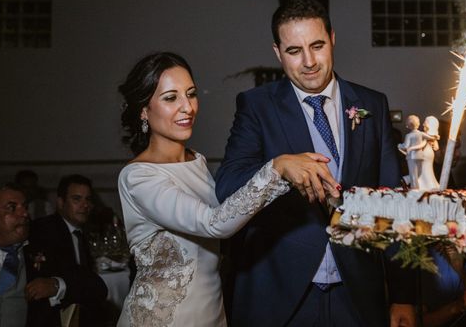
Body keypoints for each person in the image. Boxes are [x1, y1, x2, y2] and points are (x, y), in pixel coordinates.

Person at [215, 0, 415, 327]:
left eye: (317, 45)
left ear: (333, 39)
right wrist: (276, 168)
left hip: (357, 294)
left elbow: (393, 204)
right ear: (278, 53)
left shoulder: (371, 104)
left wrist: (403, 294)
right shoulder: (257, 106)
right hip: (282, 297)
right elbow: (227, 188)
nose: (309, 61)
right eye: (294, 51)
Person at [116, 52, 339, 327]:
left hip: (213, 313)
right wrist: (277, 168)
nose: (187, 107)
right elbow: (213, 223)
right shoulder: (138, 177)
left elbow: (233, 212)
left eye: (191, 93)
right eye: (171, 98)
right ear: (143, 109)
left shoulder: (196, 161)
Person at [0, 184, 64, 327]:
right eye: (12, 208)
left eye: (25, 207)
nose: (24, 214)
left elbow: (94, 285)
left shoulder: (42, 248)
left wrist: (56, 285)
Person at [27, 174, 108, 327]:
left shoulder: (80, 232)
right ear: (60, 202)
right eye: (77, 199)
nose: (85, 205)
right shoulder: (45, 230)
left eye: (88, 199)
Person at [420, 247, 466, 327]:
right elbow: (421, 321)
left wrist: (460, 269)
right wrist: (458, 305)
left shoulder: (465, 258)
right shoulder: (419, 263)